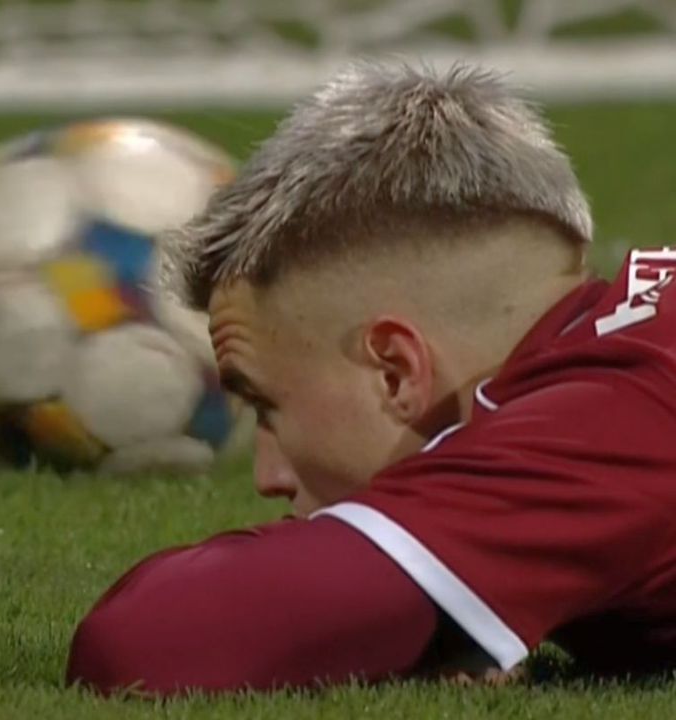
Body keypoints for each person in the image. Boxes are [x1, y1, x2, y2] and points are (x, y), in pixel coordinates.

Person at [64, 62, 676, 695]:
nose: (268, 477)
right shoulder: (637, 352)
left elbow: (144, 643)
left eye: (268, 408)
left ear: (394, 372)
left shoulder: (605, 420)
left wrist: (398, 605)